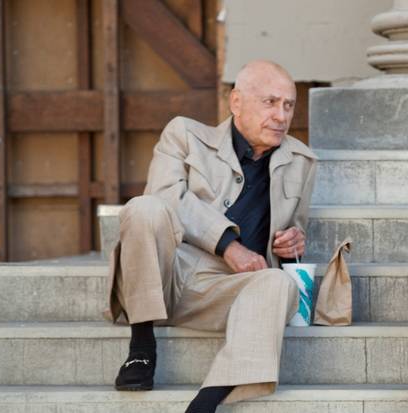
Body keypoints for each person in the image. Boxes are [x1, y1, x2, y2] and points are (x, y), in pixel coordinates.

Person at [103, 60, 317, 413]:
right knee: (145, 208)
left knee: (280, 285)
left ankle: (207, 401)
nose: (281, 115)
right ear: (236, 102)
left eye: (289, 105)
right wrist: (227, 245)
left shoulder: (302, 161)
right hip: (167, 273)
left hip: (225, 291)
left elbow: (294, 228)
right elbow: (166, 194)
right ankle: (141, 348)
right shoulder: (184, 135)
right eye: (270, 102)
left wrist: (294, 240)